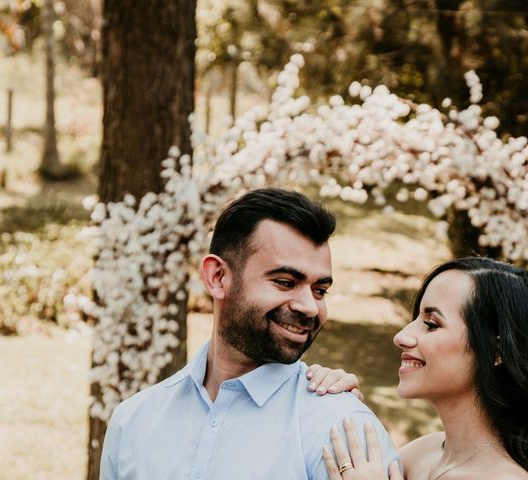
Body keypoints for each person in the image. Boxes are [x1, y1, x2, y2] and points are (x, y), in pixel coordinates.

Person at [99, 188, 399, 480]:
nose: (310, 307)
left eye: (320, 290)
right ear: (217, 277)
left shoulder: (344, 433)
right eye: (285, 282)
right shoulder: (133, 421)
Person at [309, 257, 528, 480]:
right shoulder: (421, 454)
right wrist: (332, 401)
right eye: (415, 319)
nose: (401, 336)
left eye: (431, 324)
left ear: (497, 351)